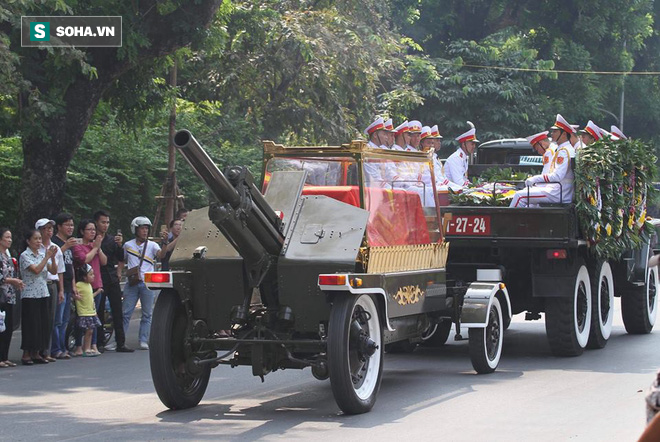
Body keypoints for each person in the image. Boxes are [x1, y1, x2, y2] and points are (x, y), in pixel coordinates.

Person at [509, 114, 575, 207]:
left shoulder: (564, 151)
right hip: (559, 190)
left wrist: (535, 179)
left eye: (555, 131)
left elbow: (557, 176)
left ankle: (508, 221)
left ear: (563, 134)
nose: (552, 134)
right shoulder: (564, 149)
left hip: (558, 192)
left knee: (519, 196)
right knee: (529, 203)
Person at [119, 216, 164, 350]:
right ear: (135, 230)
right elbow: (122, 260)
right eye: (142, 229)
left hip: (147, 283)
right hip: (132, 282)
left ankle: (143, 339)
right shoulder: (128, 245)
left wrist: (166, 243)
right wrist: (118, 273)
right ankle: (120, 340)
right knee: (126, 312)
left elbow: (161, 255)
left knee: (147, 313)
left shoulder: (152, 245)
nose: (145, 231)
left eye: (146, 229)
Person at [93, 210, 132, 352]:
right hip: (98, 277)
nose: (105, 225)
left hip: (112, 277)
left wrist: (120, 245)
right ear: (96, 222)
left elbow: (121, 257)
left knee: (117, 310)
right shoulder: (93, 239)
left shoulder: (111, 239)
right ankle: (99, 342)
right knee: (99, 310)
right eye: (103, 222)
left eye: (108, 222)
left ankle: (120, 342)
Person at [19, 229, 58, 365]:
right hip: (30, 294)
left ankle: (37, 352)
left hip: (43, 292)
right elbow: (36, 270)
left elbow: (53, 270)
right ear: (28, 241)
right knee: (31, 324)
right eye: (35, 239)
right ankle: (27, 353)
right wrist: (47, 257)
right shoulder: (25, 255)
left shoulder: (42, 254)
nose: (38, 242)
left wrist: (52, 258)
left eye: (40, 239)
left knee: (42, 323)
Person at [73, 219, 107, 355]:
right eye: (89, 229)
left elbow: (104, 261)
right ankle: (78, 346)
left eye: (94, 229)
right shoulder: (78, 246)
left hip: (96, 283)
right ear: (82, 231)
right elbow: (84, 260)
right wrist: (94, 248)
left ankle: (93, 345)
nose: (93, 232)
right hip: (83, 286)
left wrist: (98, 247)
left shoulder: (96, 245)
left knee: (94, 316)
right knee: (81, 317)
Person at [35, 218, 65, 362]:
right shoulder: (36, 248)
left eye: (50, 228)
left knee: (51, 318)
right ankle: (37, 350)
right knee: (39, 318)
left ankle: (47, 350)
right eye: (46, 229)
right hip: (39, 284)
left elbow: (60, 271)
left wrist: (61, 290)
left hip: (52, 284)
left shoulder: (56, 248)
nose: (49, 231)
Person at [50, 213, 78, 359]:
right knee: (58, 319)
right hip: (58, 284)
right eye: (67, 225)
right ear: (59, 227)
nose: (70, 228)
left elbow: (70, 265)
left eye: (72, 225)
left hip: (67, 285)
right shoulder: (54, 243)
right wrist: (65, 246)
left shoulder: (70, 243)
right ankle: (55, 348)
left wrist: (73, 285)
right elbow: (53, 260)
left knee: (65, 320)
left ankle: (63, 347)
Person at [0, 228, 24, 367]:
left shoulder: (8, 256)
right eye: (7, 237)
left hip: (9, 296)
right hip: (1, 295)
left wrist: (17, 282)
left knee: (8, 327)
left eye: (10, 237)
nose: (9, 240)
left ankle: (5, 356)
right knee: (1, 326)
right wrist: (11, 281)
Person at [74, 265, 103, 357]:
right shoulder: (79, 285)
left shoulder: (89, 286)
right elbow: (74, 294)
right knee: (86, 330)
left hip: (91, 311)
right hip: (84, 312)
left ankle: (88, 347)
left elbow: (90, 297)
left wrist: (97, 292)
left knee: (90, 331)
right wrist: (75, 297)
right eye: (91, 274)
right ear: (84, 276)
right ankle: (84, 348)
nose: (93, 276)